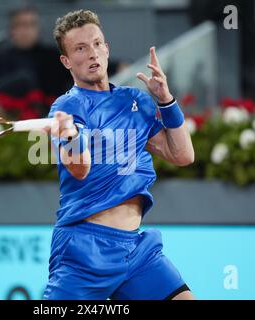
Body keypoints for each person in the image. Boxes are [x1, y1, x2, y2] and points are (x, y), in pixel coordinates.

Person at [43, 10, 195, 300]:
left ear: (107, 47)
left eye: (97, 44)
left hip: (138, 253)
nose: (92, 54)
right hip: (85, 252)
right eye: (80, 48)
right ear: (66, 61)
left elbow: (182, 155)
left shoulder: (135, 100)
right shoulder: (67, 108)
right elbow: (79, 169)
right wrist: (71, 136)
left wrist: (166, 101)